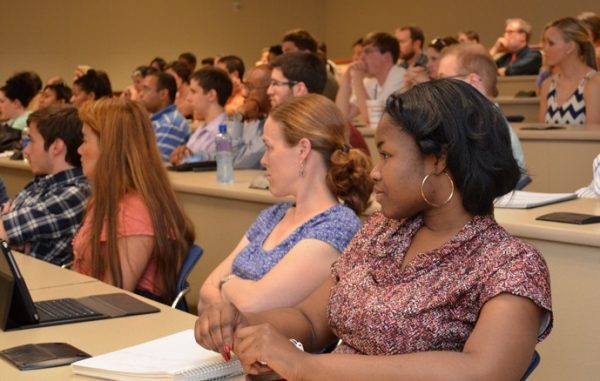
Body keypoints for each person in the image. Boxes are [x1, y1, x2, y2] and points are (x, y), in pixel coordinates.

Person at [195, 80, 553, 380]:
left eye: (387, 155)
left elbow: (482, 372)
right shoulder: (382, 231)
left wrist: (307, 366)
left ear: (439, 159)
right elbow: (309, 319)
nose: (374, 172)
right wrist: (243, 321)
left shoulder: (510, 264)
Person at [197, 94, 372, 314]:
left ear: (302, 150)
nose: (263, 160)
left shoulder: (338, 225)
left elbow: (252, 306)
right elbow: (204, 295)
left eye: (270, 147)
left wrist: (226, 283)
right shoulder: (274, 215)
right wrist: (237, 292)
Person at [73, 98, 195, 303]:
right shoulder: (110, 199)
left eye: (85, 140)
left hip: (124, 325)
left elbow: (113, 301)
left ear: (109, 148)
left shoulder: (134, 211)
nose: (79, 150)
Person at [0, 106, 90, 266]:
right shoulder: (42, 183)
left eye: (32, 141)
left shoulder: (73, 194)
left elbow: (3, 231)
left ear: (56, 147)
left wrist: (8, 234)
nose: (26, 151)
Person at [437, 43, 527, 172]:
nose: (438, 88)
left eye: (443, 80)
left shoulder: (491, 135)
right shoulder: (472, 125)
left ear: (473, 82)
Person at [270, 52, 370, 157]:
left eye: (275, 83)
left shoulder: (332, 132)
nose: (269, 91)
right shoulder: (293, 126)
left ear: (300, 89)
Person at [336, 32, 405, 127]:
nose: (361, 57)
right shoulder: (371, 81)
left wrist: (358, 81)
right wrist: (347, 78)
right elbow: (342, 116)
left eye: (367, 52)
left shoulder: (400, 77)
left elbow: (375, 119)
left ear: (386, 57)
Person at [539, 17, 600, 125]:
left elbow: (593, 137)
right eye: (544, 43)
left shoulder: (594, 83)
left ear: (570, 47)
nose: (545, 48)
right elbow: (541, 131)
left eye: (551, 43)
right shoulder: (547, 85)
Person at [169, 67, 232, 164]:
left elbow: (216, 164)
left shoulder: (225, 132)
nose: (188, 98)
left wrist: (187, 159)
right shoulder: (202, 128)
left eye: (193, 92)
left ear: (211, 95)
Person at [138, 69, 191, 161]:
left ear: (163, 94)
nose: (140, 94)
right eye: (141, 90)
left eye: (146, 89)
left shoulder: (169, 123)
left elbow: (156, 163)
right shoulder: (156, 119)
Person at [228, 64, 272, 169]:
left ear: (270, 89)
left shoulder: (275, 128)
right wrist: (192, 155)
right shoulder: (252, 118)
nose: (244, 93)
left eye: (249, 88)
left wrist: (239, 116)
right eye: (244, 87)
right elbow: (221, 152)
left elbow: (234, 162)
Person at [281, 29, 339, 101]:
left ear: (305, 53)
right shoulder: (298, 76)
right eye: (283, 52)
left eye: (288, 51)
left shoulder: (323, 79)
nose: (283, 56)